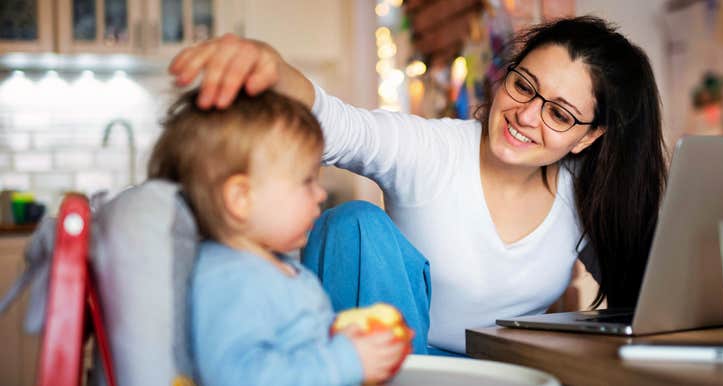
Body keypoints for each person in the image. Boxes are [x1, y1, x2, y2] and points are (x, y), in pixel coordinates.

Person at [168, 15, 668, 355]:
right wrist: (272, 68)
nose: (525, 116)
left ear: (589, 136)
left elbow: (649, 298)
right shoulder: (431, 150)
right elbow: (339, 126)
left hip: (495, 377)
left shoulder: (589, 198)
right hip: (381, 363)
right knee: (356, 224)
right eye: (522, 86)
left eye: (559, 113)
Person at [147, 89, 408, 385]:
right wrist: (345, 360)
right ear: (241, 198)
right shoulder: (230, 279)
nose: (320, 194)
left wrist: (341, 339)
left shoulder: (274, 267)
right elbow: (239, 378)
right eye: (306, 181)